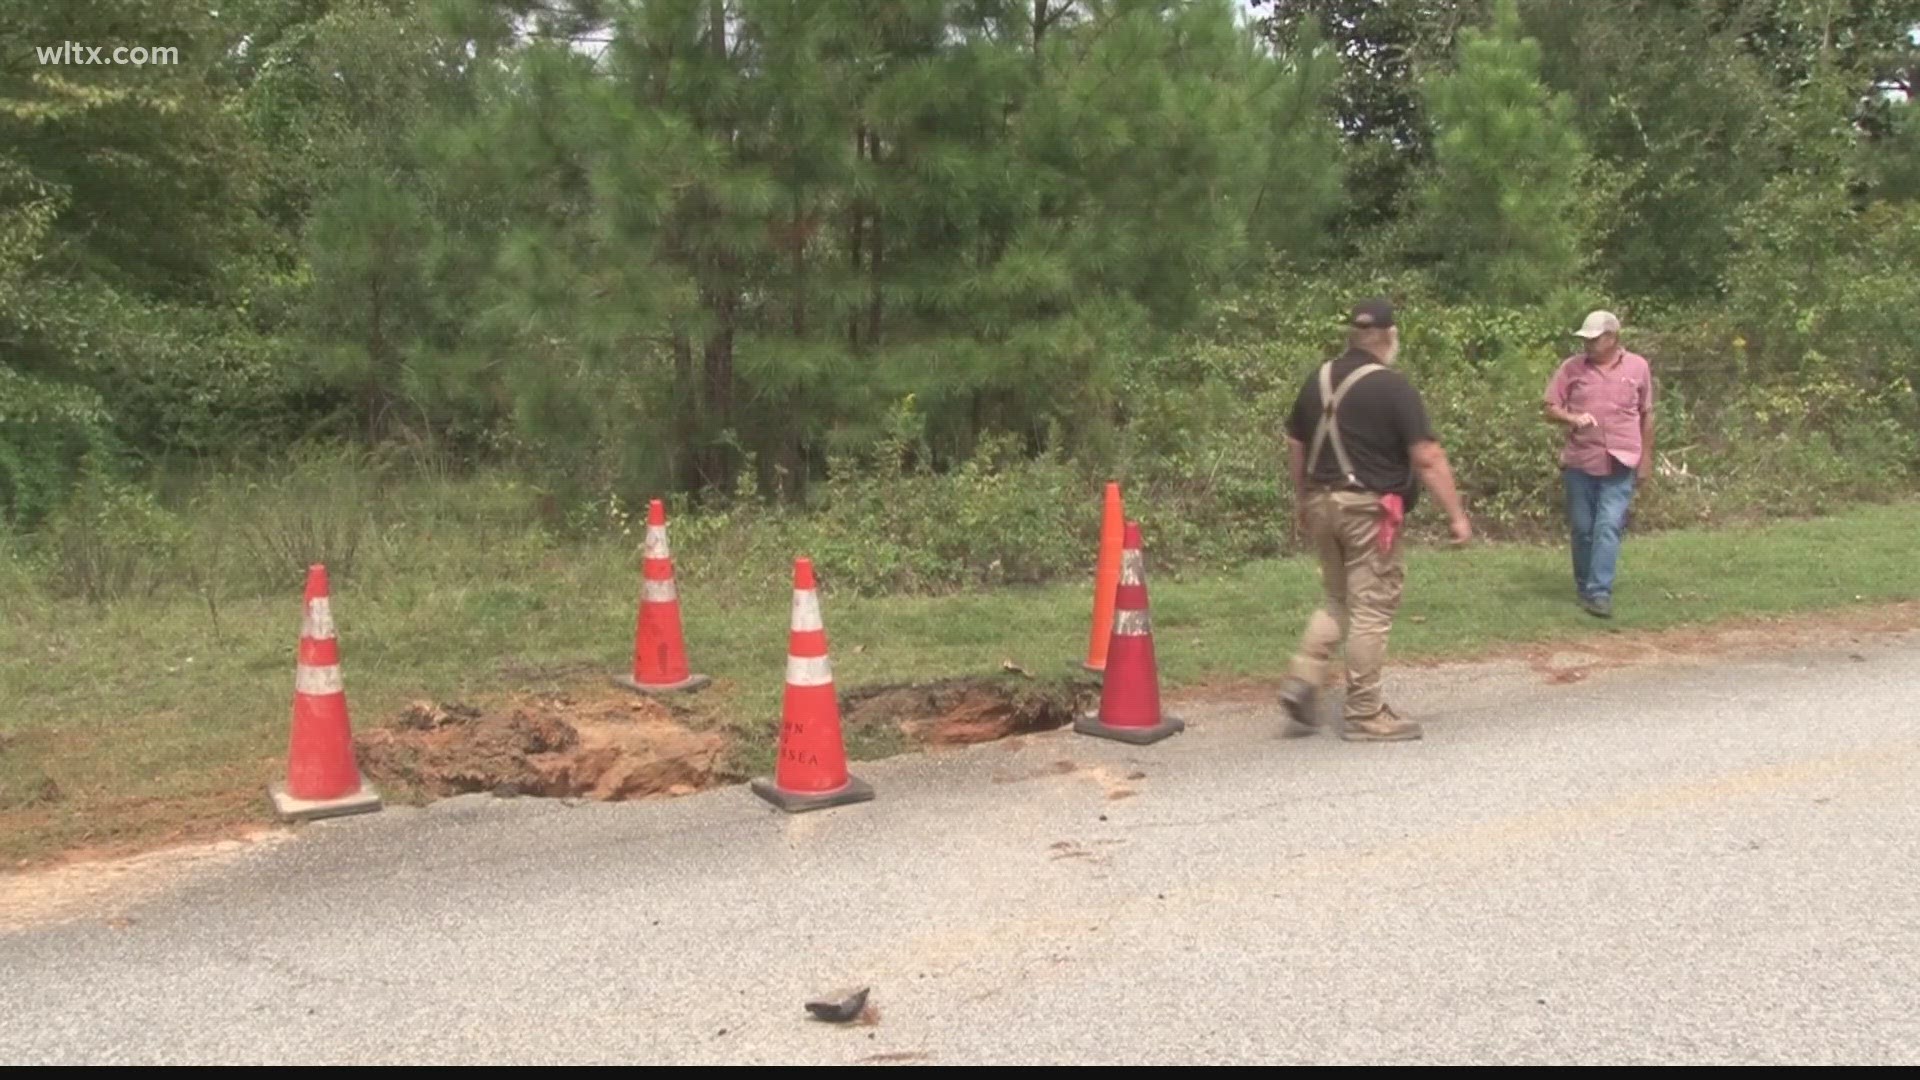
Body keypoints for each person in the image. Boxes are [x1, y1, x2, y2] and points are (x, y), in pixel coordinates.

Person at [1275, 298, 1472, 743]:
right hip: (1366, 510)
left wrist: (1302, 499)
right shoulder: (1392, 386)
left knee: (1337, 598)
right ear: (1388, 337)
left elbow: (1295, 443)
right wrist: (1457, 515)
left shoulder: (1317, 380)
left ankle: (1303, 677)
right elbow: (1427, 456)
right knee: (1372, 606)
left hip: (1323, 501)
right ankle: (1365, 712)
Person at [1542, 310, 1654, 619]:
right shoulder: (1571, 368)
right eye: (1585, 340)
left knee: (1608, 526)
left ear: (1612, 338)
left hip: (1622, 461)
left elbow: (1647, 415)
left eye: (1594, 340)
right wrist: (1572, 418)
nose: (1588, 346)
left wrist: (1646, 460)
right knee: (1583, 529)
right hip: (1581, 461)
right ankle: (1584, 585)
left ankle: (1599, 591)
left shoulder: (1638, 367)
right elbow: (1549, 408)